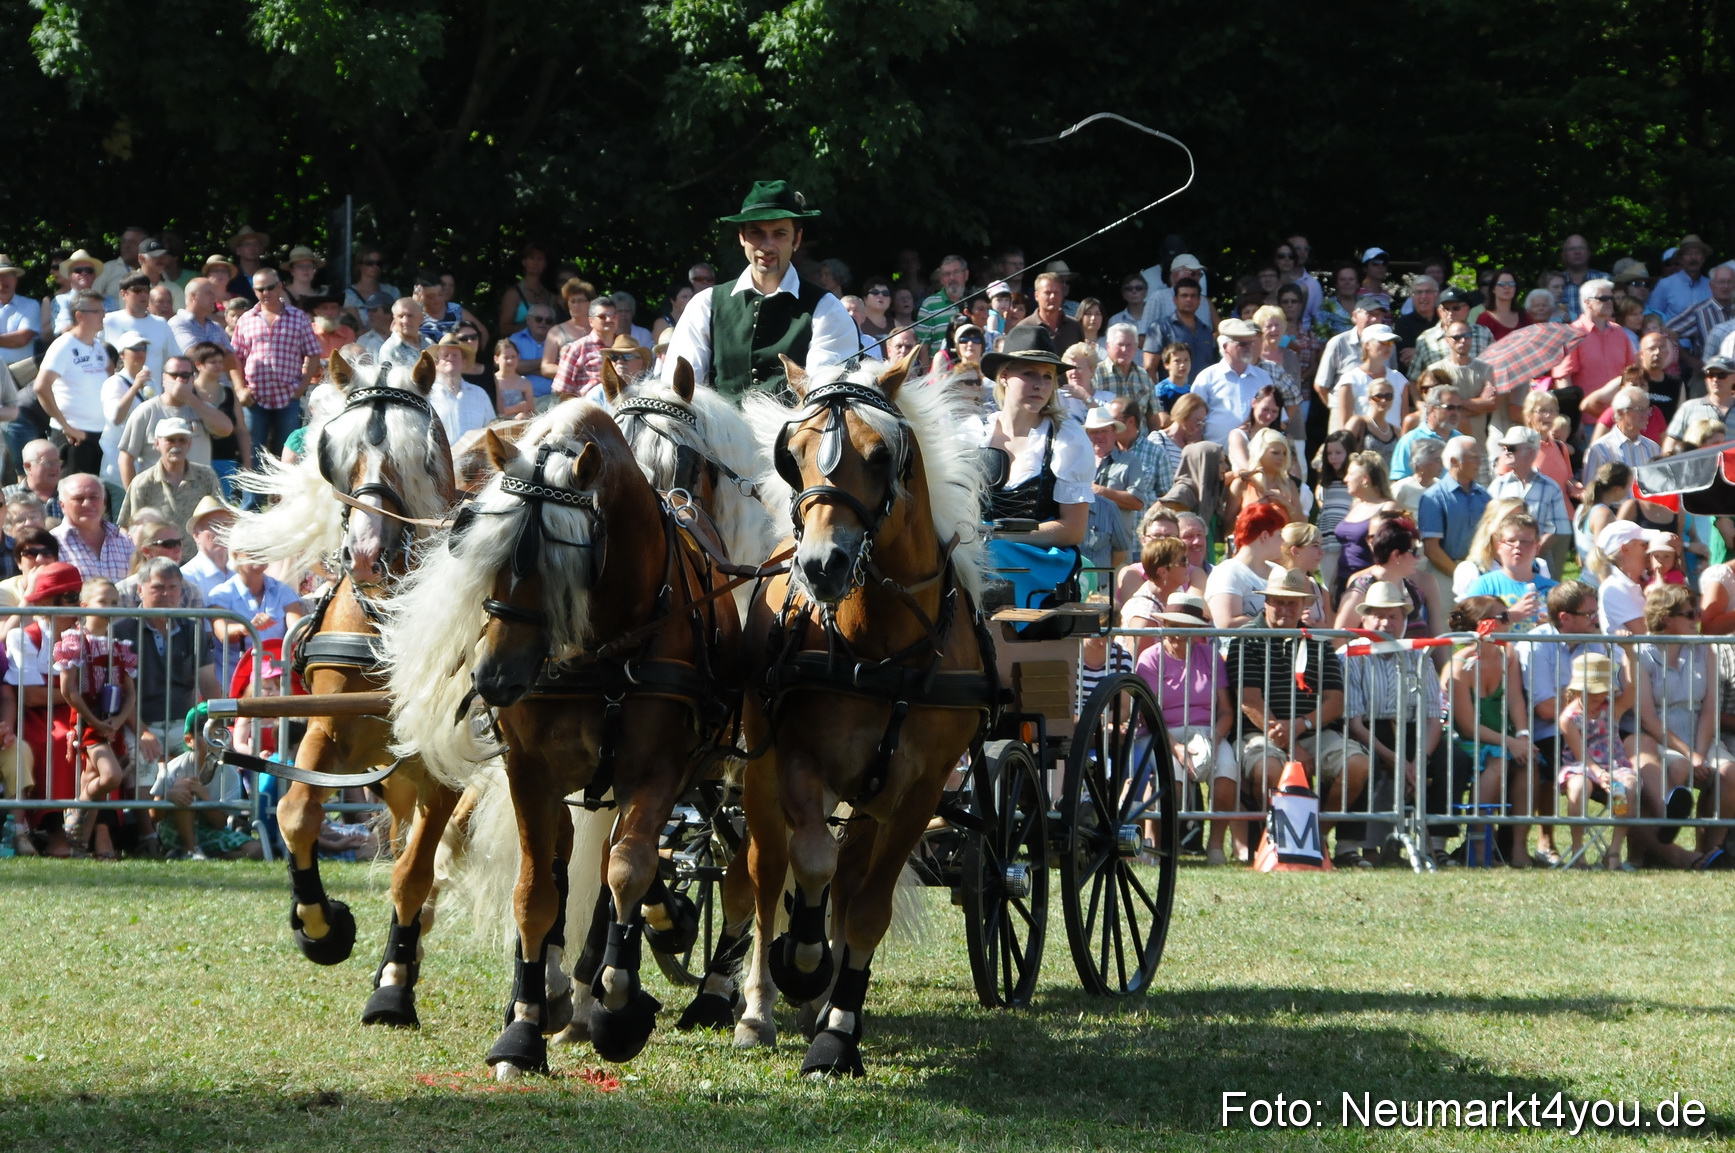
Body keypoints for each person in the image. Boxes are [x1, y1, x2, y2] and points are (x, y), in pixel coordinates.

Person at [663, 180, 859, 395]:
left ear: (797, 239)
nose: (766, 246)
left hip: (796, 428)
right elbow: (680, 392)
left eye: (779, 234)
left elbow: (824, 397)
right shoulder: (705, 305)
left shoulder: (826, 308)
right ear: (742, 237)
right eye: (756, 233)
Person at [1227, 566, 1369, 841]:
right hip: (1260, 734)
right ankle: (1275, 839)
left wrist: (1300, 726)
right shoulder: (1246, 640)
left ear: (1303, 604)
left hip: (1314, 732)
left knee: (1358, 764)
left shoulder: (1317, 640)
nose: (1284, 608)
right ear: (1266, 601)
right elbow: (1250, 702)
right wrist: (1290, 744)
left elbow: (1335, 700)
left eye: (1291, 602)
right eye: (1278, 601)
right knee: (1269, 769)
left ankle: (1316, 839)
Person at [977, 326, 1091, 614]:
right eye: (1029, 373)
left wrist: (998, 536)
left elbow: (1073, 529)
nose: (1039, 384)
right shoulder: (974, 433)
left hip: (1043, 559)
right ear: (1004, 376)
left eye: (1047, 377)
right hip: (978, 550)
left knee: (988, 555)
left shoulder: (1067, 438)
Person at [1343, 580, 1453, 866]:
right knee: (1365, 762)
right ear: (1364, 618)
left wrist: (1419, 760)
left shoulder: (1420, 655)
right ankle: (1354, 846)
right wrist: (1398, 761)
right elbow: (1355, 724)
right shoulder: (1350, 657)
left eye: (1393, 615)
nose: (1385, 622)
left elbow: (1433, 715)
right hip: (1369, 731)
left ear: (1404, 620)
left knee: (1452, 759)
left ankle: (1436, 843)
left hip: (1413, 732)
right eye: (1378, 614)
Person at [1635, 584, 1735, 866]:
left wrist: (1700, 751)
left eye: (1698, 612)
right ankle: (1656, 851)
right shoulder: (1642, 654)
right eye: (1690, 614)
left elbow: (1709, 709)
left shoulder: (1706, 650)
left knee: (1730, 772)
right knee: (1676, 770)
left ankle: (1712, 850)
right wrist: (1689, 754)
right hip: (1660, 736)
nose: (1697, 620)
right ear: (1667, 619)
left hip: (1700, 732)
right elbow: (1648, 719)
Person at [1135, 592, 1238, 865]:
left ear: (1196, 631)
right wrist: (1178, 748)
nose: (1175, 633)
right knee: (1174, 777)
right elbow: (1149, 713)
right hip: (1161, 733)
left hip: (1207, 732)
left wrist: (1214, 740)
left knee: (1227, 773)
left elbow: (1227, 710)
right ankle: (1165, 844)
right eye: (1171, 625)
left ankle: (1214, 846)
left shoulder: (1210, 656)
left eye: (1183, 627)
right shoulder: (1150, 658)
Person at [1445, 596, 1540, 868]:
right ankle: (1479, 845)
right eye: (1504, 617)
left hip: (1504, 739)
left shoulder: (1506, 654)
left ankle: (1518, 847)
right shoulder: (1458, 666)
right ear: (1483, 625)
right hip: (1468, 741)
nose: (1510, 622)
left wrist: (1522, 736)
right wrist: (1511, 742)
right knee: (1499, 761)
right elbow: (1466, 726)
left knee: (1528, 763)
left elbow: (1515, 701)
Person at [51, 577, 138, 860]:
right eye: (103, 601)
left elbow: (129, 693)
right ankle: (76, 813)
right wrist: (94, 721)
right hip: (88, 721)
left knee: (91, 779)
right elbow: (69, 689)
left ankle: (78, 845)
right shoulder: (75, 641)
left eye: (114, 602)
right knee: (110, 776)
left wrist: (118, 720)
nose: (110, 607)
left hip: (110, 722)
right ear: (84, 604)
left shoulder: (119, 645)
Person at [5, 562, 86, 855]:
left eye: (77, 595)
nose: (77, 603)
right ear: (46, 601)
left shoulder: (88, 633)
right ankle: (54, 830)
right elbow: (31, 698)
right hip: (40, 716)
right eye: (68, 596)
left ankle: (101, 831)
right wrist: (77, 695)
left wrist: (81, 701)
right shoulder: (24, 636)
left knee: (102, 741)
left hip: (78, 710)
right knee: (57, 740)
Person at [231, 270, 321, 466]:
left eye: (270, 287)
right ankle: (250, 498)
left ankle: (284, 497)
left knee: (288, 453)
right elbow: (234, 357)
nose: (266, 292)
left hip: (288, 395)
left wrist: (303, 385)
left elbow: (313, 353)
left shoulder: (298, 317)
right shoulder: (246, 319)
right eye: (260, 289)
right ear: (254, 291)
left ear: (280, 286)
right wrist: (239, 389)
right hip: (255, 396)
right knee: (251, 454)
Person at [116, 354, 234, 485]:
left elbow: (226, 429)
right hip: (158, 495)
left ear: (192, 379)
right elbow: (126, 458)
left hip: (198, 494)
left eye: (185, 376)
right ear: (164, 378)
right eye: (174, 375)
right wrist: (134, 498)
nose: (179, 380)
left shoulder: (202, 408)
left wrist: (190, 399)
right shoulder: (146, 411)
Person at [35, 291, 113, 475]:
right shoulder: (63, 345)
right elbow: (41, 387)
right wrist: (66, 426)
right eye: (97, 311)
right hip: (73, 437)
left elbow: (110, 378)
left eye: (103, 310)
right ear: (80, 315)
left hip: (100, 434)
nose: (103, 315)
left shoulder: (98, 346)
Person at [1487, 426, 1573, 575]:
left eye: (1512, 448)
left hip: (1538, 565)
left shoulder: (1550, 487)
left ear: (1531, 452)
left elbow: (1557, 529)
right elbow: (1488, 525)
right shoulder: (1497, 485)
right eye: (1505, 448)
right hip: (1499, 563)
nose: (1506, 452)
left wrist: (1529, 552)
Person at [1418, 436, 1491, 606]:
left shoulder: (1484, 496)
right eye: (1474, 457)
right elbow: (1432, 549)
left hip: (1481, 575)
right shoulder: (1434, 497)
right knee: (1446, 629)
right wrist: (1462, 576)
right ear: (1454, 461)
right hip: (1445, 576)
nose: (1479, 463)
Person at [117, 418, 223, 532]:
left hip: (197, 549)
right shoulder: (142, 483)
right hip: (155, 549)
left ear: (189, 443)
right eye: (170, 440)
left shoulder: (206, 477)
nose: (177, 445)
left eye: (182, 440)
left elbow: (220, 519)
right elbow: (127, 527)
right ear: (157, 443)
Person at [1465, 510, 1554, 628]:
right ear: (1499, 547)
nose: (1517, 546)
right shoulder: (1483, 585)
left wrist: (1552, 626)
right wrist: (1509, 616)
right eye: (1511, 541)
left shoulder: (1553, 590)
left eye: (1525, 541)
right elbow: (1468, 628)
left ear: (1537, 547)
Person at [1205, 501, 1287, 629]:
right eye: (1279, 535)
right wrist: (1273, 623)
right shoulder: (1228, 572)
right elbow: (1226, 623)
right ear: (1265, 536)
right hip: (1238, 648)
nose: (1283, 541)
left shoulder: (1279, 571)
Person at [1192, 318, 1270, 445]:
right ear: (1225, 346)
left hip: (1256, 457)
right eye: (1242, 344)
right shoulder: (1207, 378)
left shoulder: (1263, 378)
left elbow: (1279, 418)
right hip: (1217, 457)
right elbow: (1193, 421)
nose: (1248, 347)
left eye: (1250, 342)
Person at [1331, 452, 1395, 602]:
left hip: (1371, 584)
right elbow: (1345, 548)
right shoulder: (1356, 505)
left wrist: (1357, 577)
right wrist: (1333, 582)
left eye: (1350, 474)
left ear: (1366, 478)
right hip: (1344, 580)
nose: (1345, 479)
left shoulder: (1387, 507)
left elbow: (1392, 555)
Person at [52, 472, 133, 580]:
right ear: (62, 505)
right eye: (79, 498)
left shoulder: (125, 542)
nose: (87, 503)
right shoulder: (52, 544)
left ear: (104, 502)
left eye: (94, 497)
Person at [1119, 535, 1190, 658]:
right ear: (1163, 572)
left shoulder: (1175, 591)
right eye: (1183, 561)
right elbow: (1136, 664)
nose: (1188, 565)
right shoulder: (1145, 616)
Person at [105, 273, 182, 382]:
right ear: (123, 294)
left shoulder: (160, 324)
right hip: (119, 393)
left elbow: (175, 359)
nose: (143, 295)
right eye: (137, 291)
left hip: (153, 394)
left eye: (146, 290)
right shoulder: (108, 321)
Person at [1581, 386, 1660, 486]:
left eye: (1648, 409)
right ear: (1620, 412)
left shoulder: (1653, 448)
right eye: (1640, 409)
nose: (1646, 415)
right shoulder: (1600, 449)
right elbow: (1591, 494)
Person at [1596, 520, 1663, 634]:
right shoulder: (1615, 589)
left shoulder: (1648, 577)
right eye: (1644, 544)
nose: (1649, 549)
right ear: (1625, 549)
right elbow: (1646, 634)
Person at [1389, 384, 1463, 482]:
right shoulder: (1410, 440)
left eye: (1459, 408)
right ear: (1432, 409)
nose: (1456, 412)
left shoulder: (1460, 439)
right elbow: (1399, 481)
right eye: (1450, 407)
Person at [1228, 428, 1303, 525]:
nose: (1281, 458)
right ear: (1260, 452)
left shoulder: (1289, 485)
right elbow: (1226, 528)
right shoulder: (1242, 484)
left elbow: (1303, 526)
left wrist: (1286, 505)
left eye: (1284, 453)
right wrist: (1254, 509)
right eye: (1275, 453)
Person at [1149, 278, 1216, 383]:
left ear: (1199, 301)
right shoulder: (1161, 328)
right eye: (1184, 296)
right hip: (1171, 395)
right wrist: (1155, 396)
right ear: (1175, 300)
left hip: (1203, 395)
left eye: (1193, 296)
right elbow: (1150, 368)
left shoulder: (1206, 331)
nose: (1189, 299)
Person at [1664, 354, 1735, 452]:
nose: (1715, 379)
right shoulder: (1689, 407)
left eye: (1721, 375)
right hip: (1697, 465)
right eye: (1710, 374)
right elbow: (1672, 442)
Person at [1279, 522, 1331, 625]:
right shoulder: (1276, 586)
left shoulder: (1320, 589)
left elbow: (1331, 631)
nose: (1322, 552)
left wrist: (1321, 631)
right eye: (1315, 546)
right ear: (1295, 551)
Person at [0, 255, 39, 370]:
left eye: (8, 275)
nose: (3, 280)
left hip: (20, 372)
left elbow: (22, 339)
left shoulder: (30, 305)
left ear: (15, 279)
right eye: (0, 275)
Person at [1391, 436, 1444, 522]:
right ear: (1420, 463)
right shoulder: (1402, 488)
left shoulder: (1443, 488)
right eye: (1437, 460)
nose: (1442, 464)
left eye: (1443, 459)